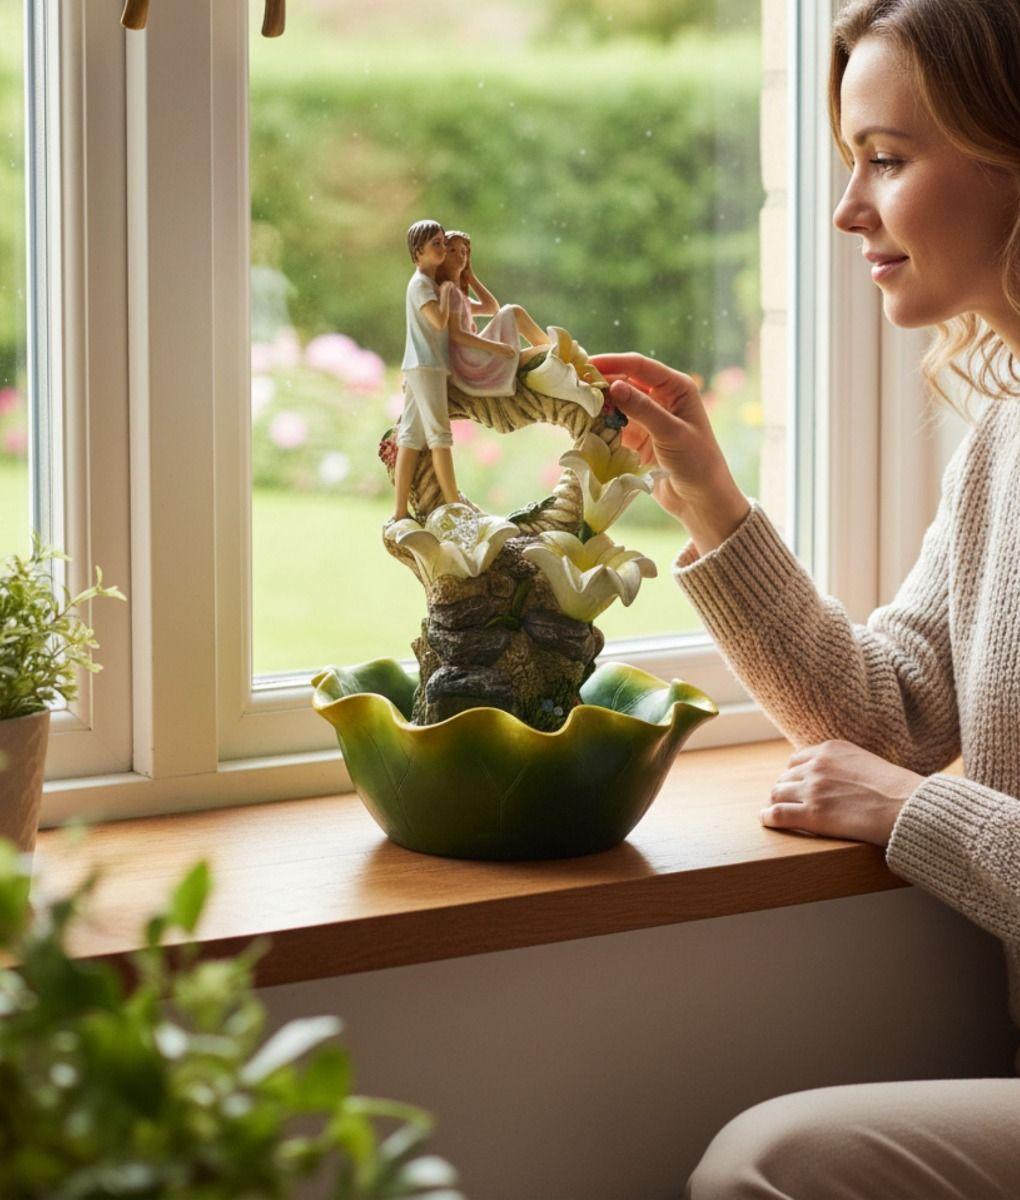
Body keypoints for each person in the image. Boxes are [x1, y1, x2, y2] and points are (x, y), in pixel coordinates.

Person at [592, 0, 1020, 1195]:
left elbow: (891, 774)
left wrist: (912, 815)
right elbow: (888, 712)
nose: (849, 211)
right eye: (850, 163)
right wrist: (710, 498)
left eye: (887, 159)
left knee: (767, 1168)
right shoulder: (1006, 441)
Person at [436, 229, 546, 397]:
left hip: (471, 351)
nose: (460, 256)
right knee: (513, 313)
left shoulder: (459, 294)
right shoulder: (449, 292)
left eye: (464, 252)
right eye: (452, 251)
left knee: (512, 312)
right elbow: (457, 334)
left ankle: (548, 349)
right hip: (467, 360)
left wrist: (470, 276)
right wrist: (497, 348)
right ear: (441, 256)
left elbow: (491, 308)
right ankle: (550, 351)